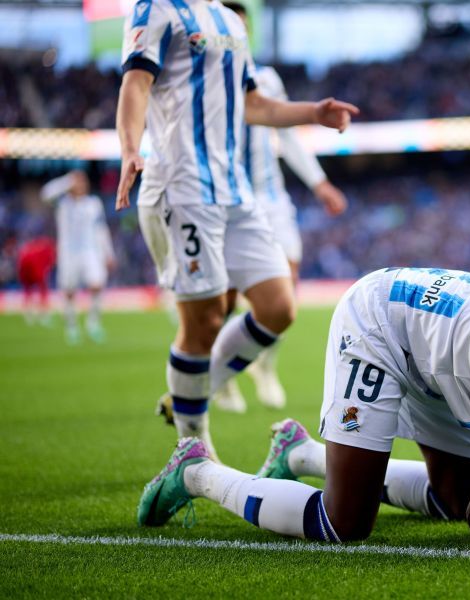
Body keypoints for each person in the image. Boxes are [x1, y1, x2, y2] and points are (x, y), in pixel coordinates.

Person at [138, 267, 470, 544]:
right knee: (344, 522)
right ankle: (197, 471)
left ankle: (299, 455)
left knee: (452, 497)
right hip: (384, 322)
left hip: (446, 344)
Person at [116, 0, 359, 461]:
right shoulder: (156, 9)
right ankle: (193, 447)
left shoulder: (230, 21)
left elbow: (252, 104)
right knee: (205, 319)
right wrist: (130, 148)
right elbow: (136, 83)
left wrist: (313, 112)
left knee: (278, 306)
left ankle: (194, 395)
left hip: (236, 192)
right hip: (183, 189)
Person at [211, 1, 349, 413]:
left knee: (285, 288)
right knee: (227, 301)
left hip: (271, 198)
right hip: (227, 200)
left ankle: (264, 365)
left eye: (241, 28)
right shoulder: (204, 77)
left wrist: (319, 182)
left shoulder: (266, 79)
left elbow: (286, 135)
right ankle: (225, 373)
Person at [40, 171, 114, 344]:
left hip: (90, 252)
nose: (81, 185)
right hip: (68, 253)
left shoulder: (93, 204)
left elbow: (101, 229)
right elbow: (45, 194)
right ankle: (71, 327)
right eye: (77, 182)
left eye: (83, 182)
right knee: (69, 291)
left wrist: (108, 253)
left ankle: (93, 324)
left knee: (97, 284)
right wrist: (66, 182)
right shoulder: (63, 203)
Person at [16, 235, 56, 326]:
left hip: (27, 272)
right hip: (36, 272)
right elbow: (51, 263)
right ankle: (43, 315)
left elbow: (21, 263)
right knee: (43, 293)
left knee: (28, 293)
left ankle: (29, 315)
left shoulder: (29, 248)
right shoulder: (47, 249)